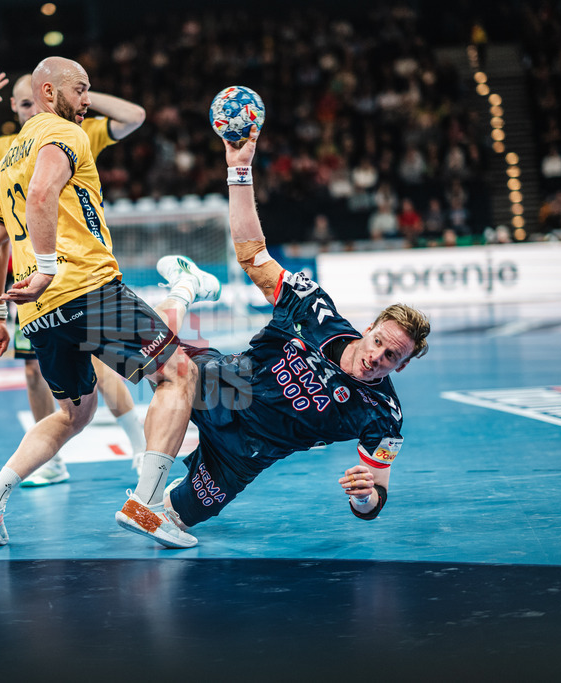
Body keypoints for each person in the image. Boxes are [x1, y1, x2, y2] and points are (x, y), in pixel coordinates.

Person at [0, 57, 219, 549]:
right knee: (178, 373)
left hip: (39, 315)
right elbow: (41, 196)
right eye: (80, 89)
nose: (86, 100)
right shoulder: (64, 132)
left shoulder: (9, 155)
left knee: (72, 414)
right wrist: (48, 269)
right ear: (48, 91)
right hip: (87, 289)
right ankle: (145, 506)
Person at [144, 128, 430, 541]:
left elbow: (376, 495)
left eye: (391, 357)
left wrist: (363, 496)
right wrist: (239, 170)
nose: (376, 356)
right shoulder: (314, 308)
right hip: (229, 384)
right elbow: (253, 255)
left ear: (401, 368)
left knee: (173, 520)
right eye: (379, 342)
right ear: (368, 329)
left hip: (246, 454)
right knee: (141, 349)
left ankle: (162, 499)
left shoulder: (384, 416)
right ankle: (186, 286)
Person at [0, 69, 150, 486]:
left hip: (70, 276)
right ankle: (54, 463)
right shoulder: (9, 149)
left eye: (28, 101)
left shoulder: (76, 129)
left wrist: (82, 95)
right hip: (36, 283)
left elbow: (133, 116)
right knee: (36, 372)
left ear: (43, 97)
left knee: (106, 366)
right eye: (17, 105)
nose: (23, 110)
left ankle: (140, 447)